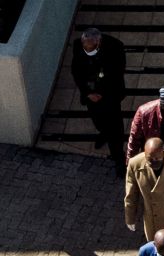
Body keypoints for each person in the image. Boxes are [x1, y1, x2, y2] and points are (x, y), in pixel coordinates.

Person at [70, 28, 127, 175]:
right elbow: (76, 72)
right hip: (91, 95)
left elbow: (117, 74)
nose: (88, 51)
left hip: (110, 94)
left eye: (92, 49)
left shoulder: (115, 47)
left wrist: (102, 93)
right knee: (97, 120)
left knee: (115, 126)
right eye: (86, 49)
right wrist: (88, 93)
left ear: (99, 42)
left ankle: (118, 158)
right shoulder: (77, 45)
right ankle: (103, 133)